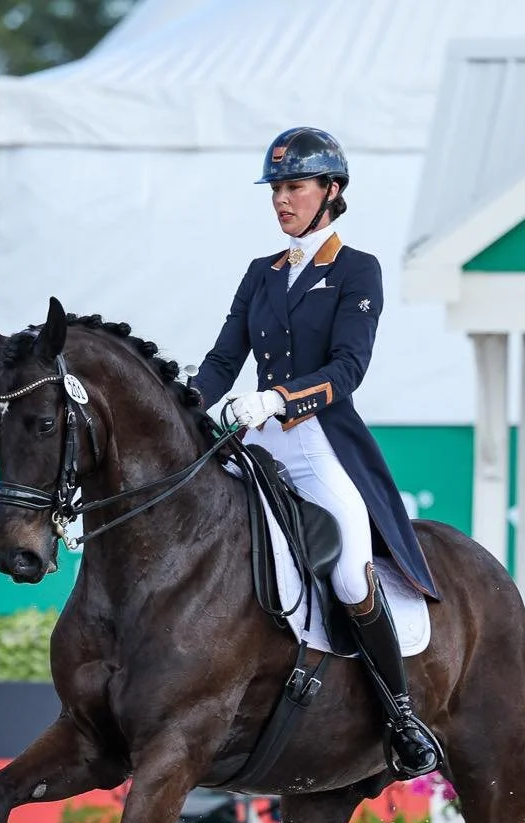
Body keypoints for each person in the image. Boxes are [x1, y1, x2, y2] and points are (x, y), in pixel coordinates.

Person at [192, 126, 441, 778]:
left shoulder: (357, 270)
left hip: (318, 440)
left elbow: (348, 368)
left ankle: (401, 716)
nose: (282, 199)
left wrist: (276, 399)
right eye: (276, 188)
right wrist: (180, 407)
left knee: (352, 570)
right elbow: (221, 364)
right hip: (256, 439)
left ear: (331, 190)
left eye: (294, 186)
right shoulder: (261, 274)